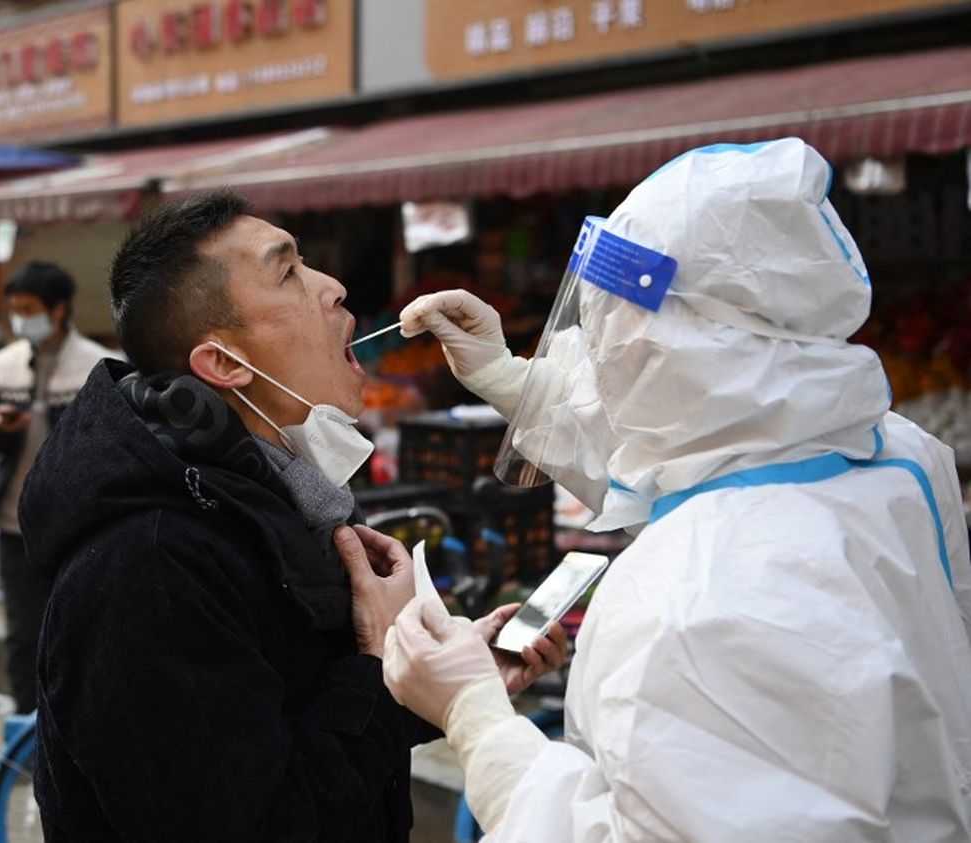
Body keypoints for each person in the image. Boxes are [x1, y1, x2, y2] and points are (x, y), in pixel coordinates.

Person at [382, 138, 971, 840]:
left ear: (696, 335)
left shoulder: (691, 597)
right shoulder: (892, 454)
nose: (593, 342)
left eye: (612, 317)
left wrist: (476, 720)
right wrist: (521, 383)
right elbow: (695, 453)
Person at [19, 192, 566, 841]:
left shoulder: (270, 499)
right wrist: (372, 661)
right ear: (223, 363)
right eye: (288, 272)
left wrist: (446, 676)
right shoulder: (149, 564)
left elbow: (291, 712)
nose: (333, 288)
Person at [0, 260, 116, 714]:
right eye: (15, 309)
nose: (21, 319)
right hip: (15, 522)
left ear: (59, 310)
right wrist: (2, 428)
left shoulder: (98, 366)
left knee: (78, 632)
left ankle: (73, 728)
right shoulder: (3, 364)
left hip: (77, 527)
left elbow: (109, 448)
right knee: (22, 636)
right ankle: (23, 731)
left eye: (30, 309)